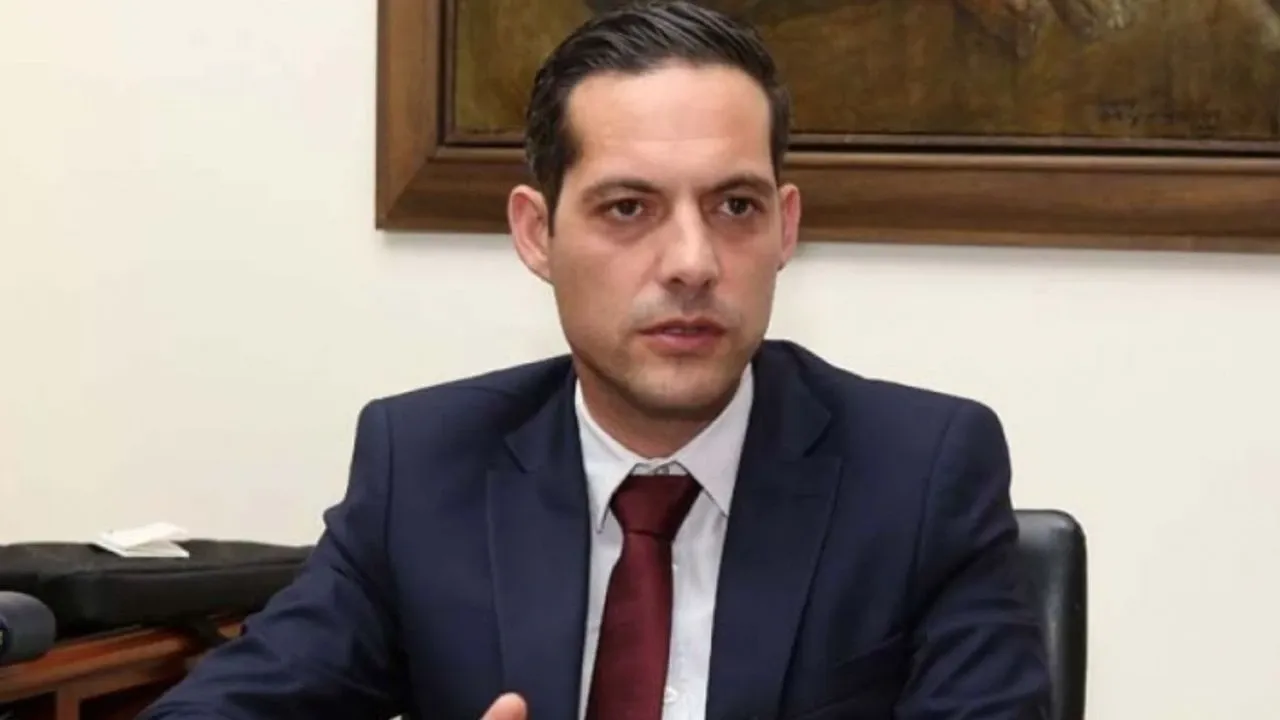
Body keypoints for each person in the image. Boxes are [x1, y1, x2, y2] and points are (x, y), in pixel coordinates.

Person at [140, 2, 1050, 718]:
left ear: (786, 228)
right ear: (537, 234)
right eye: (628, 208)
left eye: (735, 206)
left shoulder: (921, 474)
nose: (692, 262)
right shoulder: (424, 470)